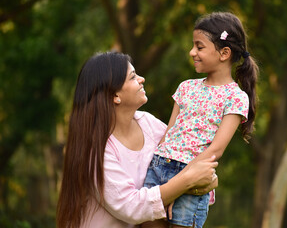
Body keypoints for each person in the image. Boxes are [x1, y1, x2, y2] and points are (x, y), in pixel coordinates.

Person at [56, 51, 218, 228]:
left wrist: (206, 181)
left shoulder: (149, 124)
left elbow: (184, 160)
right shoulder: (95, 149)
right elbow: (131, 206)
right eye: (133, 77)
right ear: (115, 96)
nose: (142, 79)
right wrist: (186, 181)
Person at [143, 11, 259, 228]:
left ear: (224, 53)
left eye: (199, 47)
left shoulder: (235, 98)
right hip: (158, 168)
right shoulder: (186, 87)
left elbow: (216, 151)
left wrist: (180, 183)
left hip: (192, 179)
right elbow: (168, 135)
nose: (192, 52)